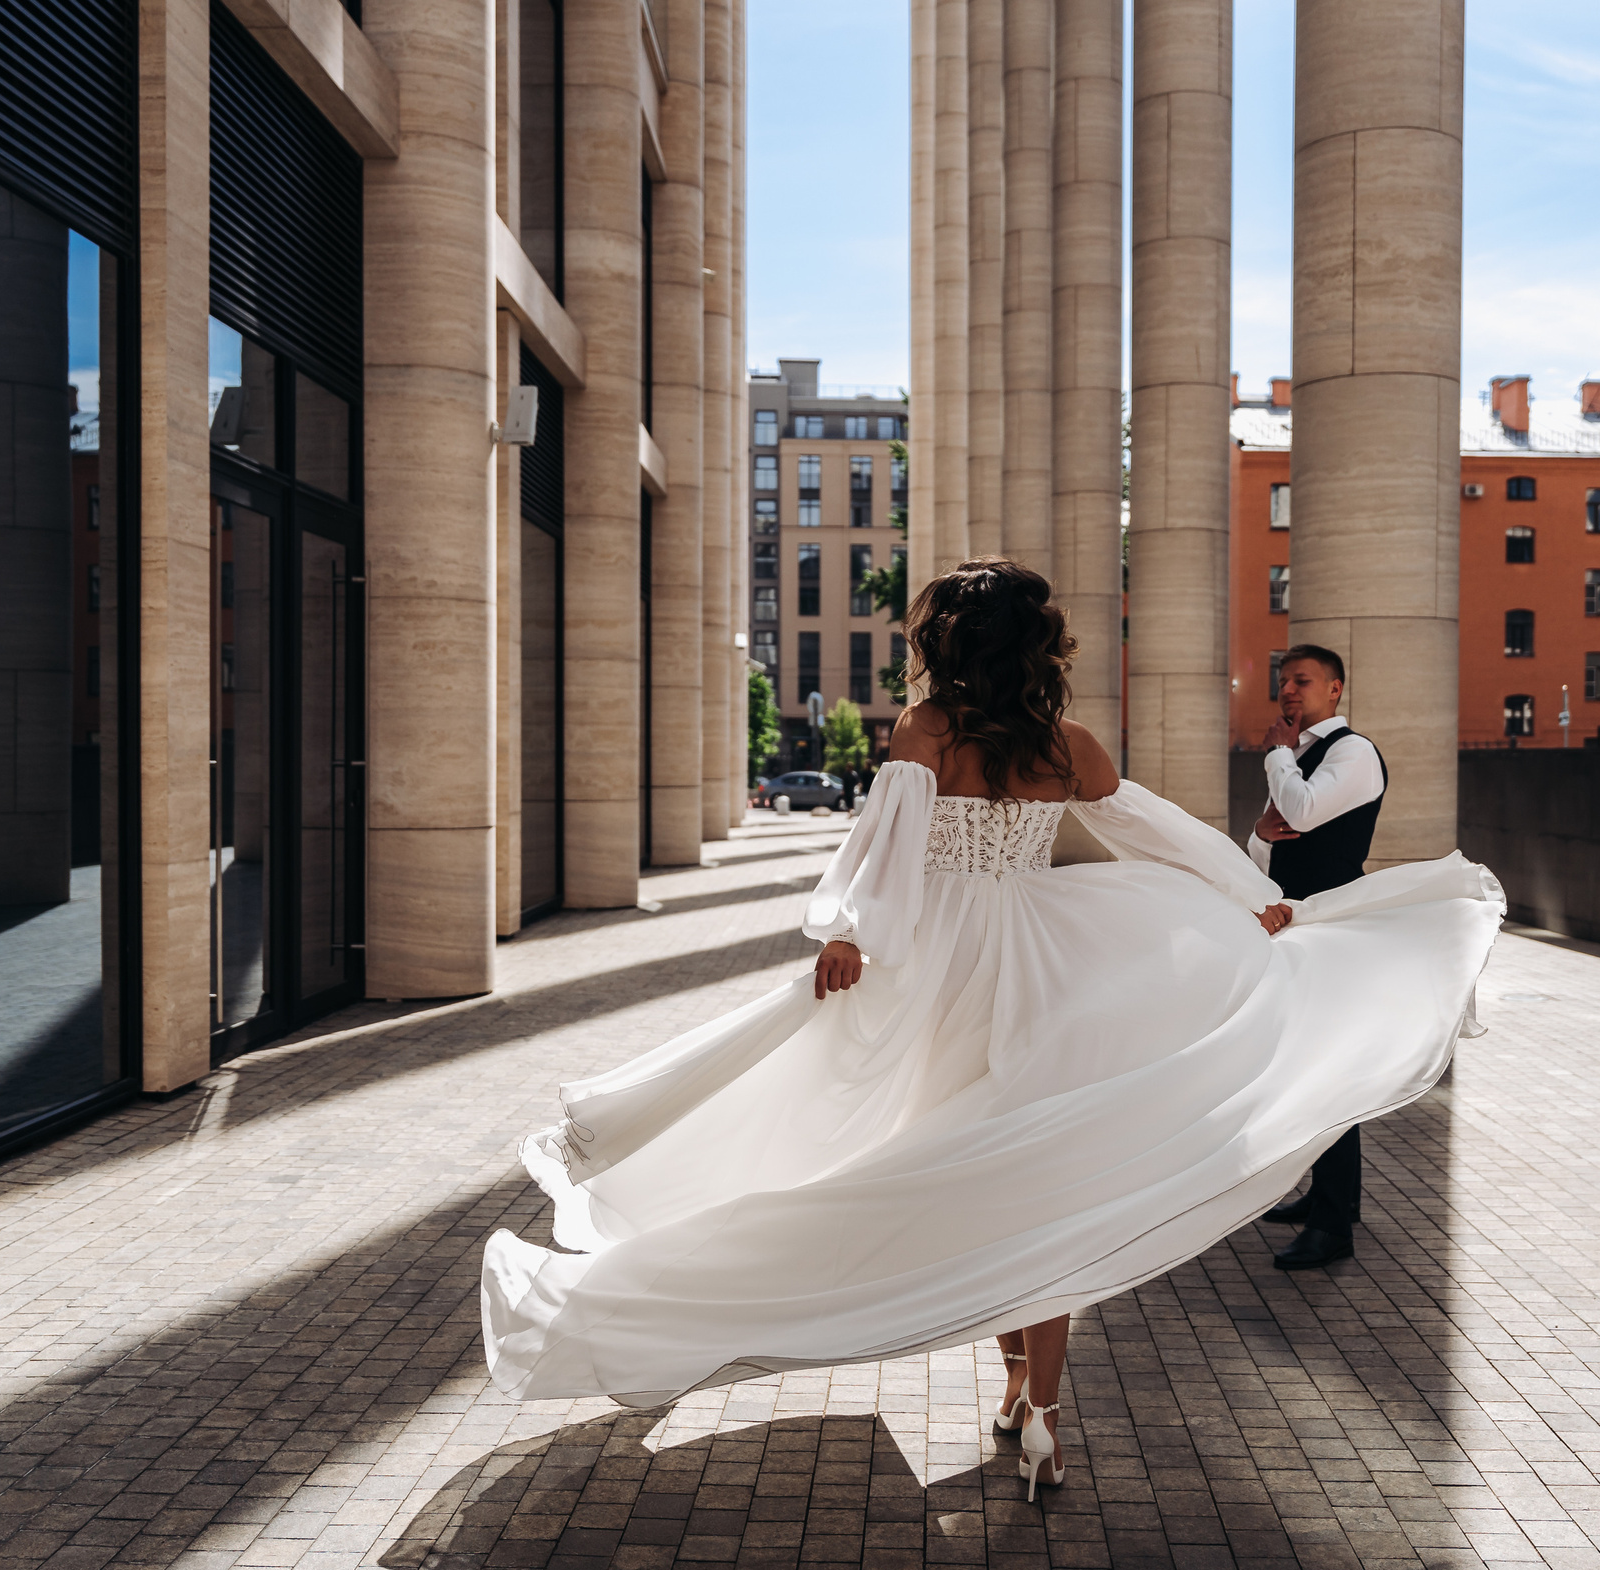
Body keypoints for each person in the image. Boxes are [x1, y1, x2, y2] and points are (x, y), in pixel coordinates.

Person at [481, 560, 1501, 1501]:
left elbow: (882, 850)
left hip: (939, 962)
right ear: (1039, 648)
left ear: (951, 646)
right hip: (1041, 955)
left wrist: (846, 936)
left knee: (923, 1147)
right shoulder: (1069, 746)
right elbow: (1159, 831)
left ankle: (1003, 1382)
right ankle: (1038, 1410)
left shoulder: (924, 732)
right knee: (1030, 1181)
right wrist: (1246, 896)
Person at [1246, 643, 1387, 1271]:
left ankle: (1334, 1224)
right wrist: (1258, 830)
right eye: (1282, 681)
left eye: (1302, 680)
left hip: (1335, 931)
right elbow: (1268, 847)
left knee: (1329, 1072)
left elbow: (1301, 812)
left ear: (1335, 690)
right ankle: (1324, 1197)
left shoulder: (1352, 753)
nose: (1288, 691)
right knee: (1302, 1065)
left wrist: (1277, 754)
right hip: (1297, 927)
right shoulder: (1296, 760)